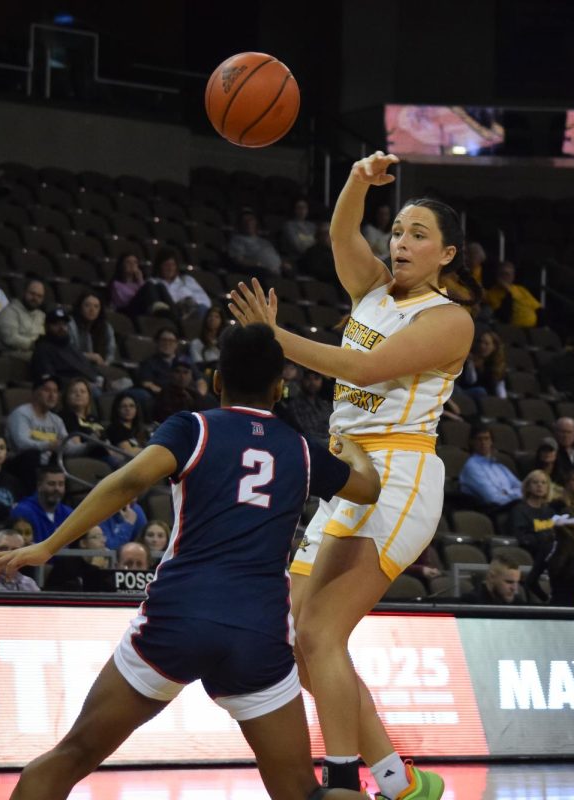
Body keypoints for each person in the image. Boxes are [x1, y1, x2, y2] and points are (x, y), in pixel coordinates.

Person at [0, 323, 377, 800]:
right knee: (303, 792)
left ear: (215, 381)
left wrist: (47, 546)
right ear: (280, 388)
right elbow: (367, 490)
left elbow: (127, 483)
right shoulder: (302, 451)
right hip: (259, 630)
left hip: (180, 615)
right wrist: (357, 453)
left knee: (72, 757)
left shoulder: (193, 427)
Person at [226, 151, 477, 799]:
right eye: (396, 231)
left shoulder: (449, 319)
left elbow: (363, 371)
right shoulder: (370, 292)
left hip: (399, 476)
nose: (400, 241)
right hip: (350, 476)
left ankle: (341, 783)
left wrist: (269, 337)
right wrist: (357, 182)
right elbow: (341, 235)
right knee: (299, 640)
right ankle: (401, 783)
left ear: (447, 255)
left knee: (318, 633)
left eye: (418, 235)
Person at [6, 374, 70, 488]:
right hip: (22, 463)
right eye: (47, 390)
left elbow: (68, 445)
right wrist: (48, 445)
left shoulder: (56, 420)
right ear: (35, 392)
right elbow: (21, 443)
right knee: (32, 455)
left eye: (55, 391)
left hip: (48, 464)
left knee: (61, 459)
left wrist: (90, 445)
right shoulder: (21, 413)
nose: (52, 395)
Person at [459, 425, 523, 510]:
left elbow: (523, 488)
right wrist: (515, 494)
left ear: (491, 442)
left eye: (486, 439)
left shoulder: (498, 466)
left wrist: (507, 493)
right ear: (472, 442)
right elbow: (493, 499)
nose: (483, 443)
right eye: (479, 439)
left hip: (514, 506)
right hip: (494, 512)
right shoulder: (471, 467)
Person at [11, 465, 74, 544]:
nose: (57, 488)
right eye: (51, 484)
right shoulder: (23, 511)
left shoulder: (69, 513)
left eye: (61, 484)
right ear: (39, 485)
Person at [505, 469, 559, 552]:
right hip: (528, 552)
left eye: (543, 483)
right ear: (527, 487)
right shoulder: (519, 510)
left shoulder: (550, 511)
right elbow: (520, 538)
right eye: (535, 482)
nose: (539, 485)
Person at [0, 279, 47, 360]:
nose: (35, 298)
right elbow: (10, 339)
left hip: (32, 353)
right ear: (24, 292)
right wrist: (35, 344)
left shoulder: (41, 316)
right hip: (7, 354)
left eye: (39, 296)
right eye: (32, 294)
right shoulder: (9, 311)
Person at [153, 249, 212, 321]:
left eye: (173, 265)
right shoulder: (154, 283)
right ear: (159, 266)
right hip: (174, 314)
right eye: (166, 265)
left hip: (193, 310)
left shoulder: (186, 280)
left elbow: (204, 300)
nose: (170, 268)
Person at [228, 209, 285, 277]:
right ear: (240, 224)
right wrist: (258, 264)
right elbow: (238, 260)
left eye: (251, 220)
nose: (248, 223)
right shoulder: (237, 240)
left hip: (278, 272)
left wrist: (282, 264)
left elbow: (274, 257)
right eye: (245, 221)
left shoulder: (264, 241)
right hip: (259, 273)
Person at [68, 291, 117, 369]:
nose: (92, 310)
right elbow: (67, 352)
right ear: (80, 307)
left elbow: (111, 352)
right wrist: (88, 356)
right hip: (74, 366)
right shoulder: (70, 323)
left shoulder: (106, 327)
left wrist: (106, 363)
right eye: (87, 305)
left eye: (96, 306)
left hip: (99, 368)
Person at [283, 368, 333, 446]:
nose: (312, 382)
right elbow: (307, 433)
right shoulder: (295, 405)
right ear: (302, 380)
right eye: (308, 378)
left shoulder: (325, 404)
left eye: (316, 378)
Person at [484, 261, 541, 328]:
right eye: (503, 273)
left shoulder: (521, 289)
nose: (506, 277)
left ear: (513, 276)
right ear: (498, 275)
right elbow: (504, 316)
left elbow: (538, 308)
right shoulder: (492, 293)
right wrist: (508, 291)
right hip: (513, 329)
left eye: (509, 274)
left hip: (534, 328)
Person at [135, 327, 188, 398]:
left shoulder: (185, 360)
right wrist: (166, 394)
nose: (167, 344)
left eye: (171, 341)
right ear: (157, 342)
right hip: (162, 397)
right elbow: (147, 383)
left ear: (176, 344)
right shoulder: (149, 363)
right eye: (163, 340)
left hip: (186, 395)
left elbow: (199, 380)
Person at [458, 330, 507, 399]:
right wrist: (470, 364)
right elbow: (470, 381)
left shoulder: (496, 366)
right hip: (465, 392)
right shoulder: (467, 359)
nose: (481, 346)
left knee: (481, 391)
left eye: (486, 344)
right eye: (480, 342)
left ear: (494, 347)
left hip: (485, 398)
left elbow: (500, 390)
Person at [106, 392, 151, 457]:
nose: (128, 409)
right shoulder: (114, 429)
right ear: (117, 409)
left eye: (132, 406)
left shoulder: (140, 428)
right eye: (124, 406)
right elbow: (128, 451)